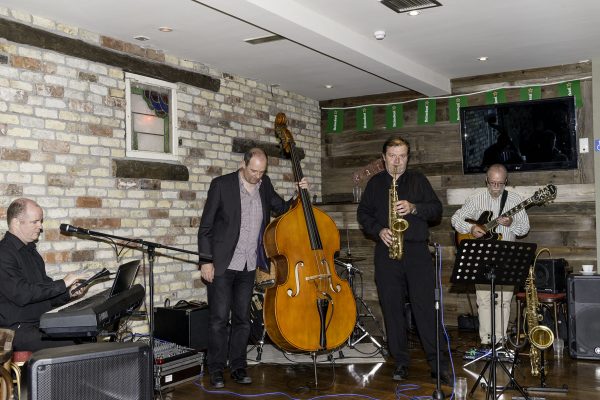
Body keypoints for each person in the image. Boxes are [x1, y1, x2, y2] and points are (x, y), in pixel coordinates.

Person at [198, 147, 308, 388]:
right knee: (218, 319)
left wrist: (298, 194)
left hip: (249, 265)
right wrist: (205, 261)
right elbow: (205, 227)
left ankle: (238, 367)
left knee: (242, 320)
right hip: (223, 264)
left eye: (261, 172)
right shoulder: (221, 185)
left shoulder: (264, 185)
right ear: (243, 164)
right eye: (253, 171)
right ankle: (216, 369)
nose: (257, 176)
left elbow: (282, 209)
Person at [356, 136, 449, 384]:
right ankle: (400, 361)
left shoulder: (418, 180)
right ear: (384, 157)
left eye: (402, 156)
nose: (397, 161)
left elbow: (437, 210)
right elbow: (363, 214)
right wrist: (378, 230)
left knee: (425, 308)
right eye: (392, 156)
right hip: (387, 252)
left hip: (417, 252)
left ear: (408, 157)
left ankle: (437, 364)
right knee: (392, 309)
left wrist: (414, 207)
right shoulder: (375, 183)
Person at [451, 164, 530, 348]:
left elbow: (525, 229)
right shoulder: (476, 198)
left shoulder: (515, 200)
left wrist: (511, 223)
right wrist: (471, 227)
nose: (495, 187)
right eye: (492, 183)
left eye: (500, 184)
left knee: (504, 301)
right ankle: (487, 341)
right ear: (486, 180)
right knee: (484, 300)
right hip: (482, 256)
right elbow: (456, 219)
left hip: (507, 256)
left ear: (506, 181)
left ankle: (500, 341)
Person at [0, 198, 86, 352]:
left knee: (85, 333)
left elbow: (44, 293)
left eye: (40, 221)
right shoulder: (3, 253)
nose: (40, 226)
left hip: (37, 324)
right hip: (14, 331)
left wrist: (68, 292)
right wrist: (62, 283)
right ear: (16, 223)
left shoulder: (32, 252)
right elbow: (22, 293)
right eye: (35, 221)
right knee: (77, 343)